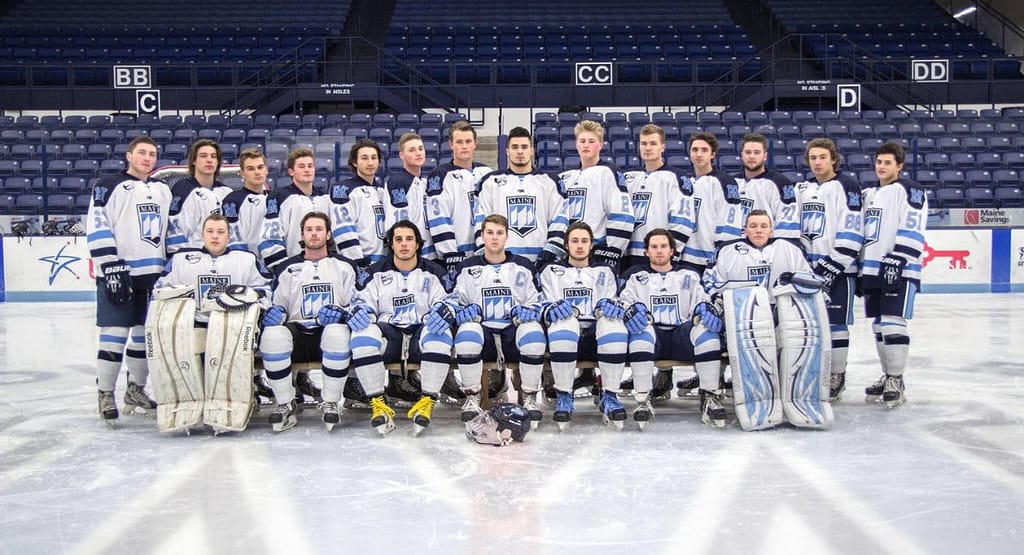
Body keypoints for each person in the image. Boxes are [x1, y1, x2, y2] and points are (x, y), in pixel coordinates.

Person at [704, 209, 827, 429]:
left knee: (797, 337)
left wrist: (794, 280)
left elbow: (813, 282)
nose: (758, 230)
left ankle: (797, 395)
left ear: (771, 229)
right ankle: (755, 396)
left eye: (763, 226)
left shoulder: (790, 249)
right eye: (753, 226)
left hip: (782, 313)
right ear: (745, 229)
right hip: (744, 315)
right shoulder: (728, 251)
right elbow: (711, 283)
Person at [152, 214, 273, 421]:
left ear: (229, 236)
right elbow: (159, 290)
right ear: (202, 235)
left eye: (220, 232)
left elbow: (266, 290)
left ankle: (237, 397)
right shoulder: (182, 260)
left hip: (233, 325)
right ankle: (187, 401)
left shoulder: (246, 259)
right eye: (210, 232)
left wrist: (249, 297)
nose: (215, 237)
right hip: (194, 324)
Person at [87, 136, 172, 425]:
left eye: (152, 154)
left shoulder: (162, 189)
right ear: (129, 155)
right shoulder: (108, 185)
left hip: (153, 276)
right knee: (114, 334)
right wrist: (110, 265)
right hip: (119, 274)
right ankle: (106, 392)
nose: (147, 158)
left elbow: (169, 230)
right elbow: (97, 224)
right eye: (142, 153)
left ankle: (135, 390)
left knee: (144, 338)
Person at [258, 211, 367, 432]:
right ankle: (285, 402)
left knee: (336, 332)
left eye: (319, 229)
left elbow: (358, 302)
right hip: (298, 335)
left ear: (328, 234)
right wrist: (275, 313)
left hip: (331, 337)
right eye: (309, 229)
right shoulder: (286, 268)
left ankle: (330, 401)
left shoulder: (345, 266)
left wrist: (342, 313)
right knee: (272, 336)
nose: (314, 234)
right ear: (302, 235)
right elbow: (277, 305)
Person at [348, 221, 456, 435]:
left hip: (420, 332)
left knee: (439, 331)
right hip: (390, 333)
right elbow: (361, 301)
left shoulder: (435, 272)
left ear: (418, 244)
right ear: (391, 244)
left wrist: (445, 310)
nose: (404, 244)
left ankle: (427, 401)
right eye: (399, 239)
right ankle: (377, 402)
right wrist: (360, 311)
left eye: (409, 239)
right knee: (362, 333)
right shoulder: (373, 273)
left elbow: (449, 300)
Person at [619, 229, 724, 427]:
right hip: (653, 336)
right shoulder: (635, 277)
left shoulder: (689, 276)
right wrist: (632, 310)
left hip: (681, 336)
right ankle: (643, 397)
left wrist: (705, 308)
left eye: (663, 246)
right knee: (640, 332)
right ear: (646, 252)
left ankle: (710, 394)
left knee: (706, 331)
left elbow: (702, 301)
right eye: (654, 247)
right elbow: (623, 303)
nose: (659, 251)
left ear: (672, 251)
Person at [451, 214, 547, 425]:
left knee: (533, 332)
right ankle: (472, 397)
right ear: (482, 236)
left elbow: (538, 301)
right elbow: (455, 301)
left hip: (512, 334)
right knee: (467, 331)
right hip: (483, 335)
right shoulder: (467, 267)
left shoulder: (523, 266)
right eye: (490, 233)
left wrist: (530, 311)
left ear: (507, 237)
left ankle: (530, 397)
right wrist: (463, 312)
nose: (495, 238)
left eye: (499, 233)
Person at [538, 221, 629, 430]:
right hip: (564, 338)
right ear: (566, 245)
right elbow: (544, 303)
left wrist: (611, 307)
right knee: (564, 322)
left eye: (584, 241)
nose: (580, 245)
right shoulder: (551, 271)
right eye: (575, 241)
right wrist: (551, 309)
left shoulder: (605, 271)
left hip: (596, 338)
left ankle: (611, 395)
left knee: (613, 324)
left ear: (591, 246)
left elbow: (614, 301)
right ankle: (563, 395)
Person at [796, 138, 864, 401]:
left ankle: (837, 374)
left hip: (839, 270)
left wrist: (832, 265)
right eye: (813, 157)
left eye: (822, 157)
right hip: (809, 270)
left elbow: (853, 229)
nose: (817, 162)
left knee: (836, 324)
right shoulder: (803, 188)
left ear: (833, 158)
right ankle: (812, 373)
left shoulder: (847, 186)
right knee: (808, 325)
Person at [860, 142, 927, 408]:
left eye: (887, 163)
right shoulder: (871, 194)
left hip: (899, 267)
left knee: (892, 321)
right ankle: (888, 375)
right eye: (878, 162)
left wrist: (899, 257)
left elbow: (913, 224)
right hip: (873, 268)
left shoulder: (910, 190)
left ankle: (897, 379)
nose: (881, 167)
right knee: (878, 325)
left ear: (899, 166)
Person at [541, 120, 635, 269]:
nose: (586, 145)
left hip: (596, 251)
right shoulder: (566, 177)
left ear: (600, 144)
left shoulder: (608, 172)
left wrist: (611, 251)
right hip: (568, 253)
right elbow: (558, 216)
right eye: (582, 141)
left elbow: (623, 215)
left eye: (591, 141)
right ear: (576, 144)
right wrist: (556, 245)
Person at [473, 126, 565, 262]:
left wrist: (551, 249)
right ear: (507, 151)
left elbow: (560, 218)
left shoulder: (550, 181)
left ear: (532, 150)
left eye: (524, 147)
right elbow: (481, 220)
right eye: (515, 147)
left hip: (541, 260)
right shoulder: (489, 182)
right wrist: (486, 251)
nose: (520, 151)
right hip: (502, 260)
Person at [622, 124, 696, 270]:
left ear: (663, 147)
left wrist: (670, 253)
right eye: (643, 143)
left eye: (653, 143)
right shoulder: (628, 178)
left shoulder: (675, 177)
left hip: (660, 256)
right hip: (630, 254)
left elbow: (683, 221)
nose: (647, 148)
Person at [426, 121, 493, 274]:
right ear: (451, 144)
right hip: (458, 254)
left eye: (468, 141)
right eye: (459, 142)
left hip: (485, 252)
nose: (464, 146)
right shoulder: (440, 175)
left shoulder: (487, 172)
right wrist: (450, 254)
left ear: (475, 143)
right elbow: (439, 218)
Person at [259, 147, 332, 271]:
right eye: (302, 166)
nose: (307, 170)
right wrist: (282, 268)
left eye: (310, 166)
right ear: (291, 171)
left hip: (324, 268)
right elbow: (270, 236)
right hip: (292, 269)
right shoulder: (279, 197)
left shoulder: (325, 198)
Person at [681, 132, 744, 274]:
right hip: (686, 258)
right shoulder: (687, 182)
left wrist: (722, 255)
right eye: (695, 150)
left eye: (704, 150)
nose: (698, 154)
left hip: (710, 259)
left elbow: (730, 223)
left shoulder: (724, 182)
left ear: (712, 154)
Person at [166, 139, 233, 254]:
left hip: (222, 261)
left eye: (213, 156)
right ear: (194, 161)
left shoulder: (226, 192)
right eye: (203, 156)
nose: (209, 160)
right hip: (193, 260)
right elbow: (175, 233)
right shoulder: (183, 190)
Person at [329, 139, 386, 267]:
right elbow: (343, 229)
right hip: (362, 263)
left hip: (384, 264)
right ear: (355, 162)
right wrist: (356, 262)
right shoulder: (343, 189)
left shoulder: (383, 192)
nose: (370, 163)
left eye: (374, 158)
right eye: (364, 158)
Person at [735, 133, 800, 242]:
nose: (751, 156)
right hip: (737, 249)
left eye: (757, 152)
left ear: (765, 156)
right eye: (748, 152)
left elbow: (787, 226)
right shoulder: (733, 183)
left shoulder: (780, 183)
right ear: (742, 155)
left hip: (765, 251)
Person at [383, 133, 436, 259]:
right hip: (411, 256)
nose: (418, 153)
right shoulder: (399, 182)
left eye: (420, 149)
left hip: (427, 253)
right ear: (402, 155)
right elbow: (398, 223)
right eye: (412, 150)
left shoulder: (423, 182)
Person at [223, 147, 269, 256]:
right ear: (242, 174)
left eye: (260, 167)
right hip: (246, 264)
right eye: (250, 169)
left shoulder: (276, 198)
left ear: (266, 169)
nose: (257, 172)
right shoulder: (232, 201)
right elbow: (234, 239)